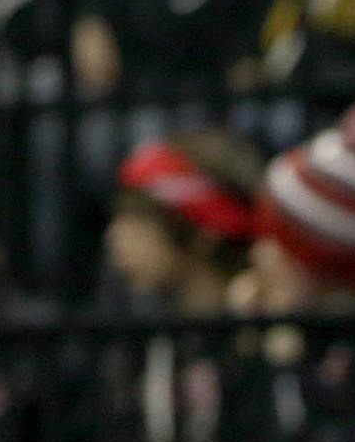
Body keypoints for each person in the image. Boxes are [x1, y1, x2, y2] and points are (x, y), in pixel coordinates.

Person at [105, 131, 261, 315]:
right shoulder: (156, 327)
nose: (115, 237)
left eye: (139, 218)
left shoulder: (257, 326)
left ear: (206, 232)